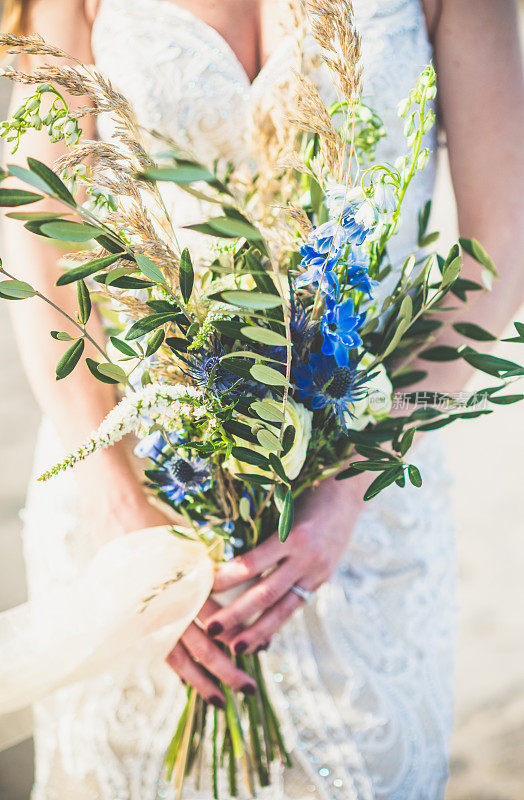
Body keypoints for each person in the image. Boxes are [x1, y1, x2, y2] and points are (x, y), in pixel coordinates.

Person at [1, 1, 523, 798]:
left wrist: (347, 490)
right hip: (132, 475)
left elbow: (497, 259)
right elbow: (39, 222)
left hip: (364, 498)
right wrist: (117, 509)